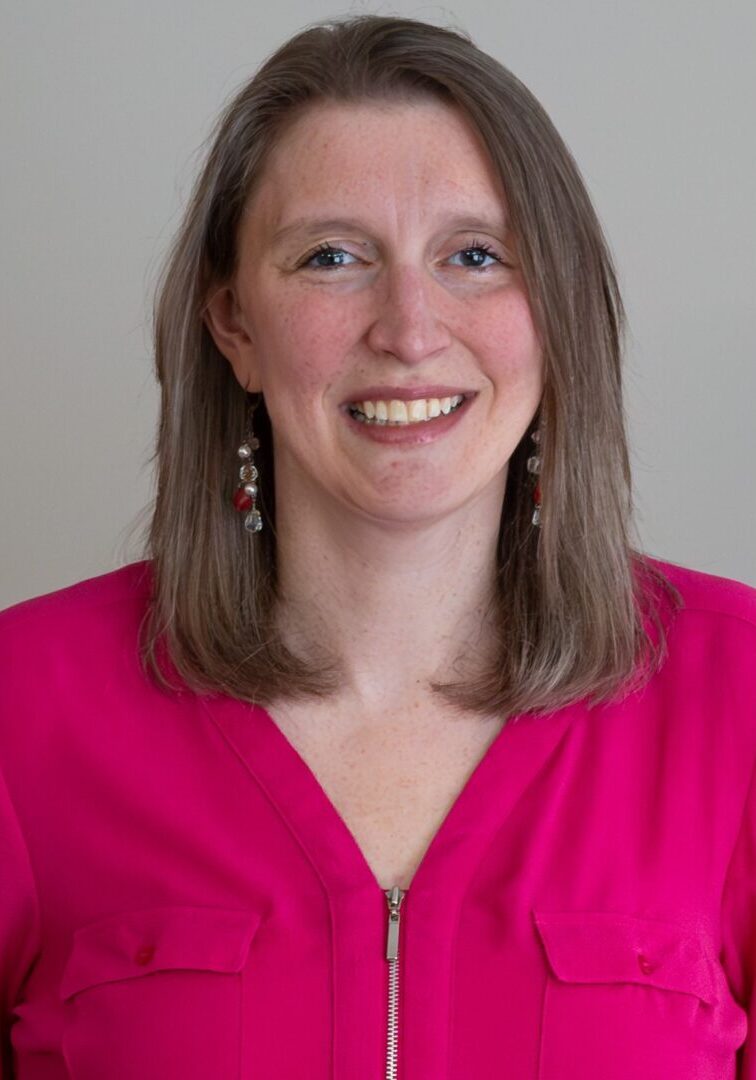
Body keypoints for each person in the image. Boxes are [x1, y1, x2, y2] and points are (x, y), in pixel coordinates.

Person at [1, 13, 754, 1079]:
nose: (409, 326)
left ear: (556, 316)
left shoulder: (739, 695)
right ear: (235, 327)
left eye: (477, 256)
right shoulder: (21, 705)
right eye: (333, 257)